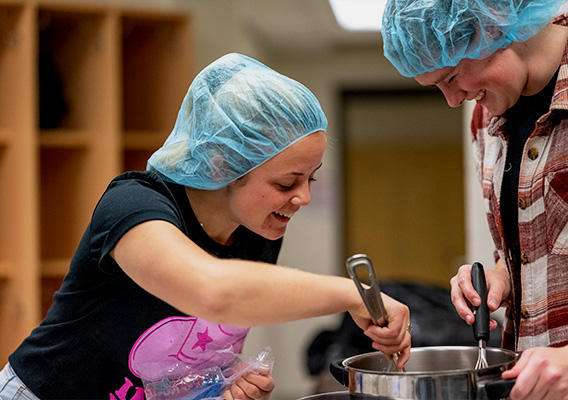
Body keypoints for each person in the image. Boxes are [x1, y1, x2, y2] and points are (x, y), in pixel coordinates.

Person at [0, 53, 411, 400]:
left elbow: (199, 357)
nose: (303, 198)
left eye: (311, 179)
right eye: (286, 182)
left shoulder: (257, 231)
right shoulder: (134, 205)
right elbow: (212, 292)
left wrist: (225, 388)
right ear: (222, 165)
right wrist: (352, 294)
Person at [382, 0, 568, 399]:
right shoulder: (486, 119)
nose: (453, 100)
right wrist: (502, 275)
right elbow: (541, 239)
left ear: (493, 26)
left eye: (451, 76)